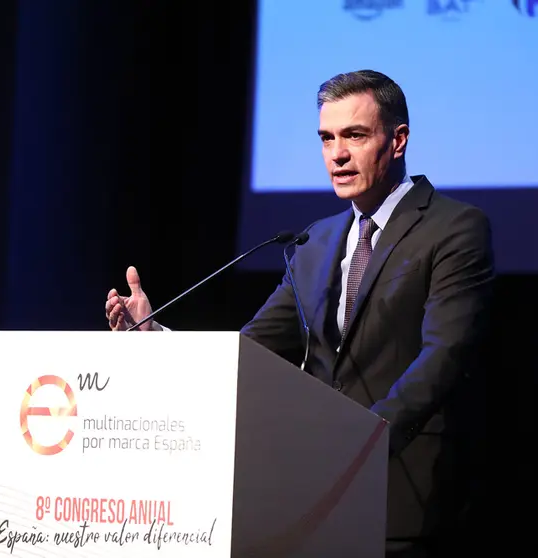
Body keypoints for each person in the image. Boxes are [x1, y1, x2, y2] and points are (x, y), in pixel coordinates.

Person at [105, 70, 494, 557]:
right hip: (311, 496)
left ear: (398, 141)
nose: (337, 154)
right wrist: (156, 335)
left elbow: (443, 356)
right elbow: (251, 350)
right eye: (327, 138)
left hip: (407, 493)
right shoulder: (316, 242)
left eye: (354, 135)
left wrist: (365, 444)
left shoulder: (454, 228)